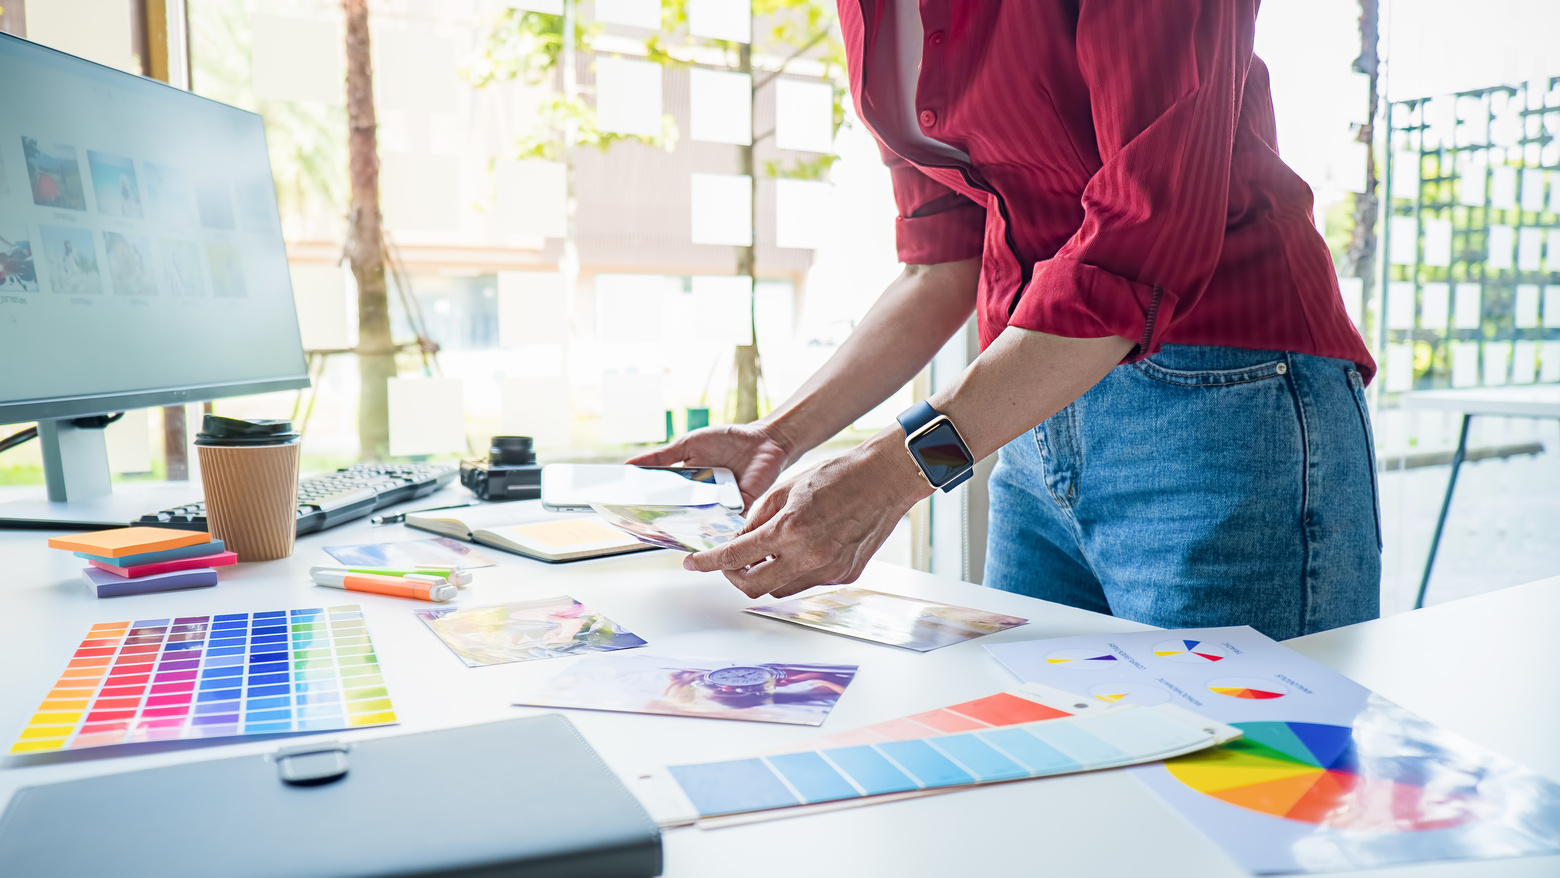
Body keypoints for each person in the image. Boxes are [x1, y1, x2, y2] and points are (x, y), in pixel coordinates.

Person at [631, 1, 1380, 641]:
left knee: (1244, 789)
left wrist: (888, 479)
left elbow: (1142, 240)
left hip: (1221, 400)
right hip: (1027, 415)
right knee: (1045, 760)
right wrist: (779, 437)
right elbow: (940, 261)